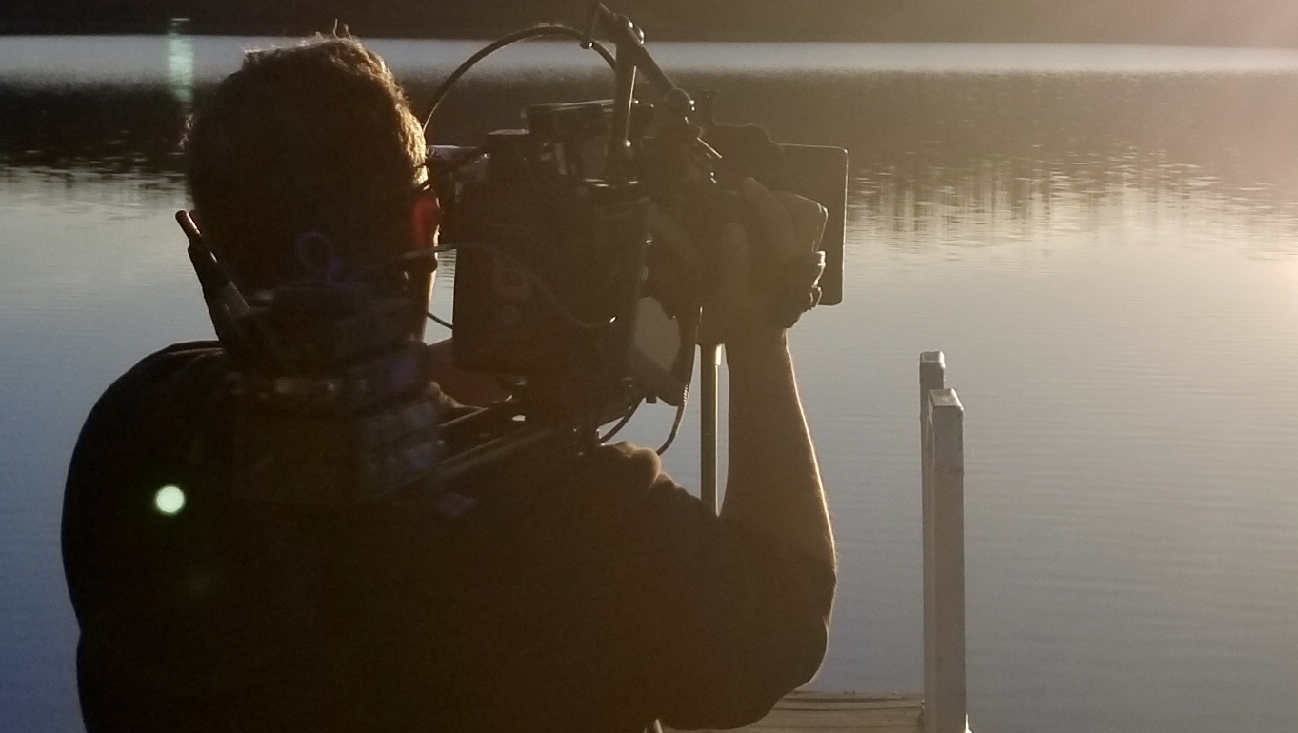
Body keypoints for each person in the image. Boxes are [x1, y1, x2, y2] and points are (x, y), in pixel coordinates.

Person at [61, 36, 836, 732]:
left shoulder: (137, 432)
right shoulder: (586, 518)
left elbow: (305, 408)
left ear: (211, 242)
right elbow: (786, 619)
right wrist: (760, 331)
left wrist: (446, 379)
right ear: (423, 226)